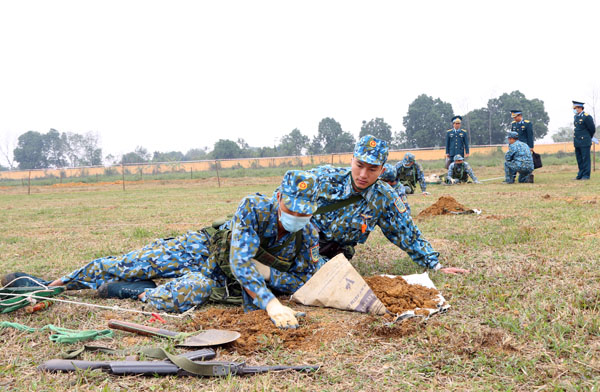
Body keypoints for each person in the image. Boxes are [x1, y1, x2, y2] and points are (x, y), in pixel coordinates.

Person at [2, 171, 323, 329]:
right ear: (278, 196)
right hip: (199, 250)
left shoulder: (308, 235)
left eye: (303, 212)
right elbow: (239, 261)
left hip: (213, 280)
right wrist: (268, 301)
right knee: (127, 264)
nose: (296, 217)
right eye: (291, 208)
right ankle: (55, 285)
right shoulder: (254, 207)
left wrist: (270, 275)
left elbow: (305, 282)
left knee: (182, 295)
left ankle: (130, 293)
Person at [309, 135, 469, 275]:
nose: (363, 175)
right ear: (351, 161)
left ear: (382, 170)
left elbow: (406, 232)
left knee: (318, 276)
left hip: (333, 252)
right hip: (303, 240)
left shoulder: (384, 197)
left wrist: (435, 265)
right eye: (359, 165)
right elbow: (287, 196)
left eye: (372, 169)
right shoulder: (324, 178)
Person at [572, 101, 596, 180]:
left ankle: (586, 175)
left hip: (584, 141)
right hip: (577, 141)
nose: (574, 110)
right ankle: (580, 175)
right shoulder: (576, 117)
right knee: (579, 159)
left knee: (585, 159)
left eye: (575, 108)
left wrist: (588, 137)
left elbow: (592, 129)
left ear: (580, 108)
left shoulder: (587, 117)